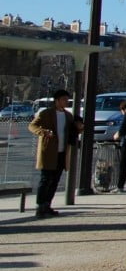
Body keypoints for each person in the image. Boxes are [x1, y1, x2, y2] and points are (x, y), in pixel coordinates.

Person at [28, 89, 83, 219]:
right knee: (45, 179)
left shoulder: (68, 116)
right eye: (64, 99)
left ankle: (47, 204)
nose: (66, 102)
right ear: (56, 100)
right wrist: (44, 132)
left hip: (62, 152)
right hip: (48, 152)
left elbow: (73, 131)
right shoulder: (46, 113)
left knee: (55, 180)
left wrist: (79, 127)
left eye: (67, 100)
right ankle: (40, 206)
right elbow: (32, 126)